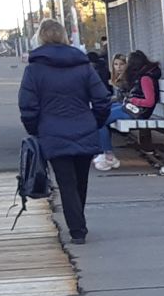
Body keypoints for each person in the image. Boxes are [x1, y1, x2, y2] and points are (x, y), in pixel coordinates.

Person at [17, 18, 110, 244]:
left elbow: (27, 105)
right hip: (84, 128)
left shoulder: (34, 69)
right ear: (64, 36)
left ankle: (78, 230)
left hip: (52, 132)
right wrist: (94, 122)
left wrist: (36, 129)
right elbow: (102, 100)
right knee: (81, 181)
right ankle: (78, 223)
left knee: (66, 182)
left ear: (41, 37)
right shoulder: (83, 66)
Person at [94, 51, 149, 171]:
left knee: (100, 119)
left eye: (122, 64)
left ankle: (107, 154)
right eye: (116, 64)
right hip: (127, 106)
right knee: (99, 115)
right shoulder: (125, 77)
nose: (119, 67)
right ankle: (104, 151)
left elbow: (135, 98)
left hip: (133, 109)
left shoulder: (135, 78)